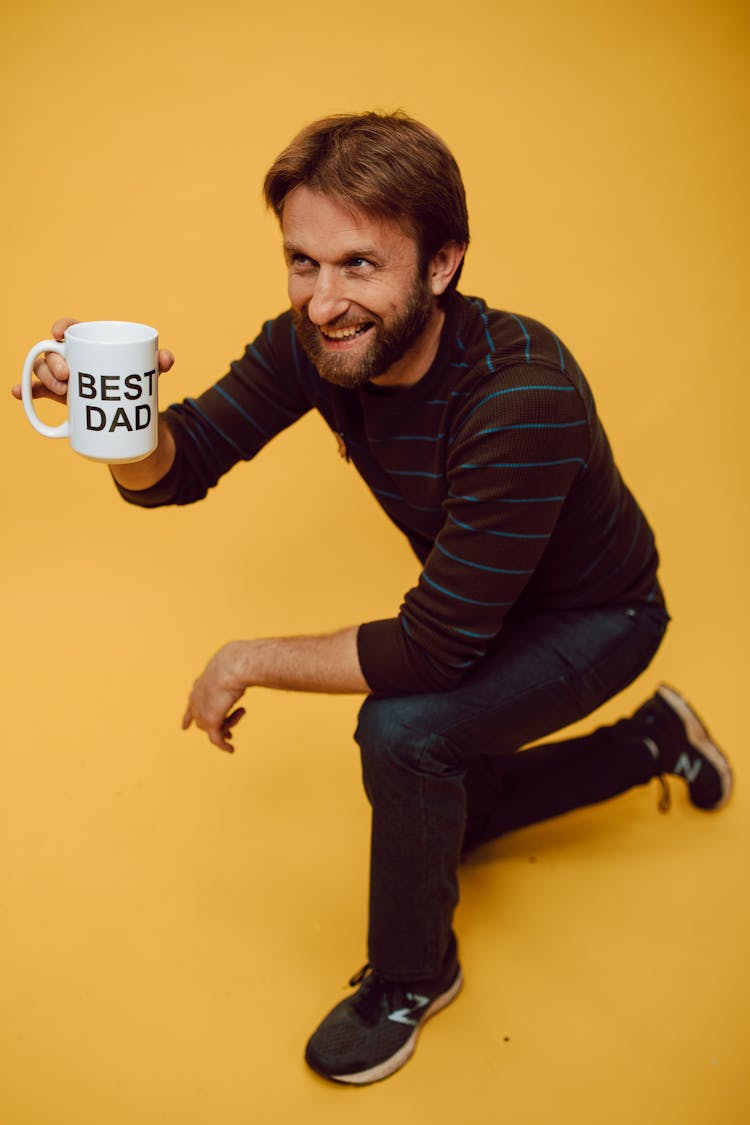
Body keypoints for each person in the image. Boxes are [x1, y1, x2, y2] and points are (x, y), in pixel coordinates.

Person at [14, 111, 732, 1086]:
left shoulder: (520, 395)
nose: (323, 301)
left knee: (405, 736)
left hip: (598, 619)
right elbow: (179, 471)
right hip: (482, 600)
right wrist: (118, 418)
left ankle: (412, 975)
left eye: (360, 264)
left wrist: (247, 657)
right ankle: (656, 740)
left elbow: (435, 652)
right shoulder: (312, 345)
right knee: (444, 816)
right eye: (302, 262)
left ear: (442, 265)